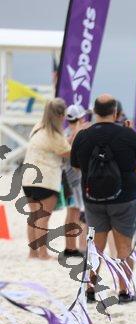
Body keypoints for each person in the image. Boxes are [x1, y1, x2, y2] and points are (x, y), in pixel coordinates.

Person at [70, 94, 136, 304]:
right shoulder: (126, 133)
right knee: (124, 246)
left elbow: (76, 166)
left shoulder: (83, 135)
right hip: (124, 198)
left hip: (93, 199)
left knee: (95, 247)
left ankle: (90, 290)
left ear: (94, 112)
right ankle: (124, 292)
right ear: (116, 112)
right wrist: (135, 137)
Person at [22, 98, 70, 260]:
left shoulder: (37, 128)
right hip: (46, 180)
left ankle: (32, 253)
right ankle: (43, 253)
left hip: (28, 178)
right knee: (43, 218)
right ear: (61, 115)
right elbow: (68, 153)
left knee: (34, 216)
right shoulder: (55, 135)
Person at [63, 103, 89, 257]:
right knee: (82, 214)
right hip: (76, 179)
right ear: (80, 119)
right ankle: (81, 247)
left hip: (67, 178)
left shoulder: (65, 133)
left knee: (72, 213)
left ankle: (71, 247)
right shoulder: (75, 134)